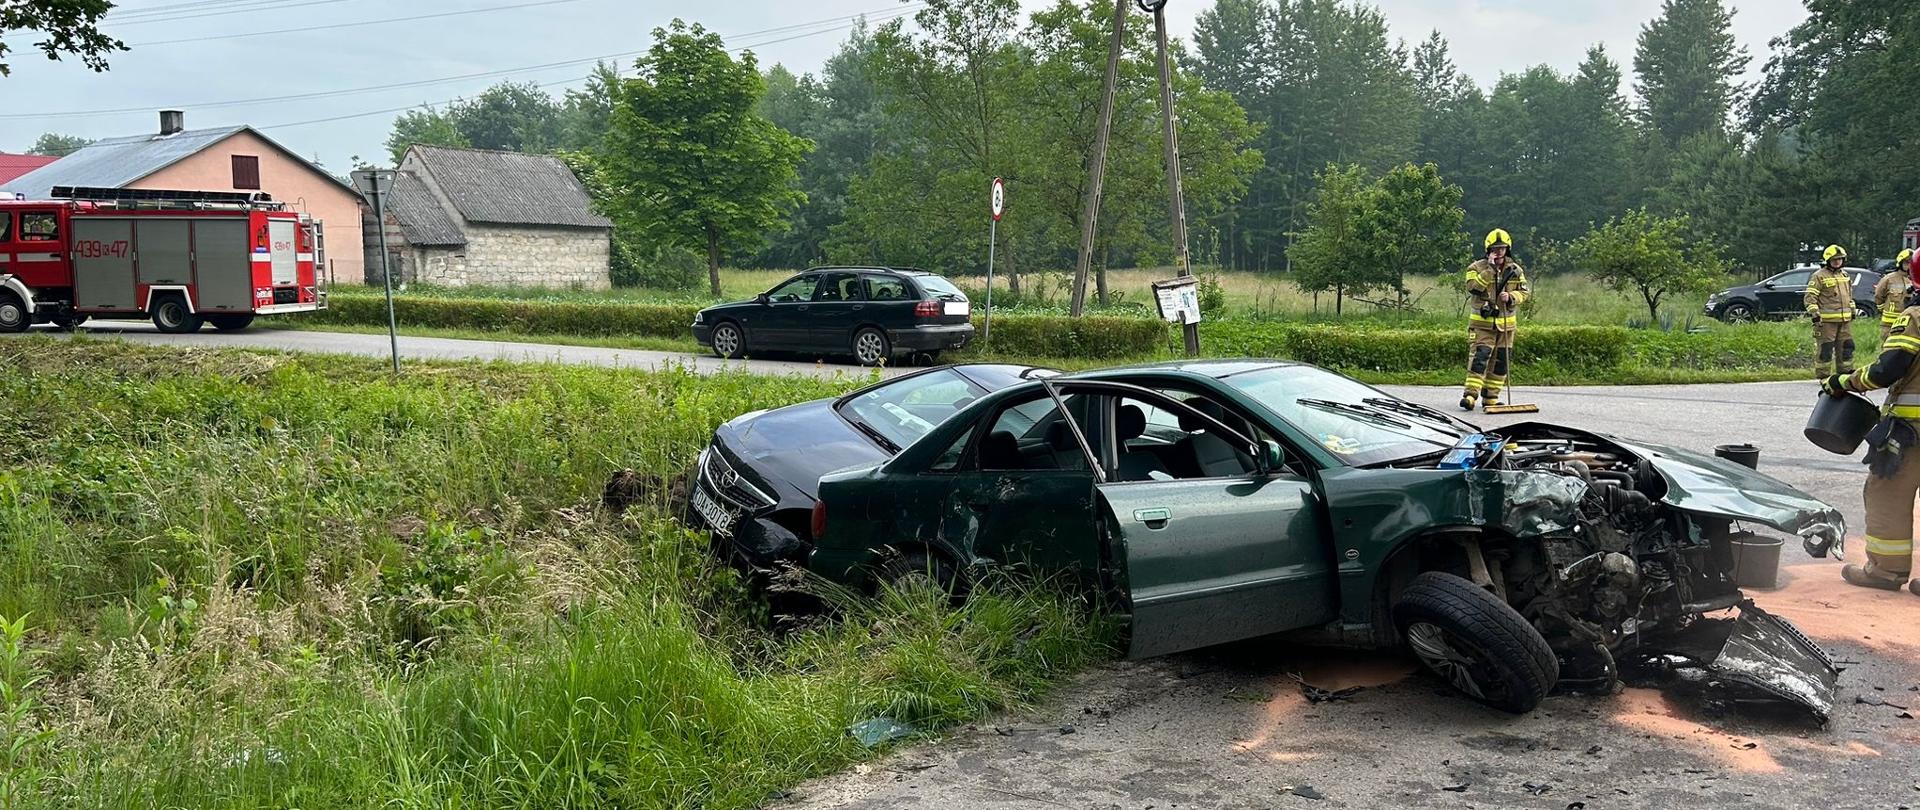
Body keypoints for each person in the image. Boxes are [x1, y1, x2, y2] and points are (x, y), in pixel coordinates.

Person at [1822, 250, 1920, 595]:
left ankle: (1885, 571)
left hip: (1912, 434)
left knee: (1886, 494)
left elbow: (1888, 369)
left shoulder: (1915, 318)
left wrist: (1844, 382)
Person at [1459, 229, 1530, 412]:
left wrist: (1512, 296)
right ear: (1488, 249)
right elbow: (1473, 288)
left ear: (1508, 249)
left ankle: (1491, 397)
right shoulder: (1475, 268)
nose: (1499, 252)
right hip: (1482, 325)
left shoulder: (1515, 270)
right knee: (1480, 358)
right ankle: (1470, 396)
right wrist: (1490, 270)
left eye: (1502, 248)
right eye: (1495, 248)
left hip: (1506, 325)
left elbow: (1524, 292)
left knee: (1500, 362)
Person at [1806, 244, 1856, 378]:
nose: (1837, 262)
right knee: (1826, 348)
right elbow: (1810, 297)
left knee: (1846, 347)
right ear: (1827, 260)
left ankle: (1845, 373)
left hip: (1844, 320)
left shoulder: (1845, 275)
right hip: (1826, 322)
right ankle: (1824, 375)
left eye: (1840, 259)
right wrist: (1815, 314)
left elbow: (1849, 296)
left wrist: (1852, 310)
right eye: (1834, 259)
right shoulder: (1819, 276)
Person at [1875, 248, 1914, 341]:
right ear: (1900, 263)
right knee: (1888, 349)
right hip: (1889, 324)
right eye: (1906, 262)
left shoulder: (1916, 279)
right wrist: (1883, 309)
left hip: (1909, 322)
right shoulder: (1889, 279)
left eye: (1911, 263)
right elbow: (1878, 296)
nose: (1909, 265)